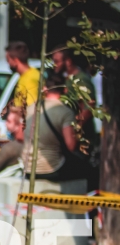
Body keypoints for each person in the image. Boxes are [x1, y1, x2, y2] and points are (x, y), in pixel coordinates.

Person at [53, 45, 99, 190]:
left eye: (57, 61)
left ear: (68, 61)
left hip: (82, 139)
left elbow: (89, 107)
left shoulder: (81, 80)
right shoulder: (65, 79)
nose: (54, 65)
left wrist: (75, 129)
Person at [20, 72, 79, 182]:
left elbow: (20, 136)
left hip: (27, 169)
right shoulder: (66, 113)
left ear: (45, 89)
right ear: (65, 90)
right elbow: (71, 146)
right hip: (52, 169)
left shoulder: (30, 108)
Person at [0, 106, 25, 173]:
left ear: (19, 125)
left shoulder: (11, 148)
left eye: (9, 121)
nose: (5, 123)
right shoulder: (26, 144)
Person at [6, 41, 40, 107]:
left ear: (15, 60)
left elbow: (29, 108)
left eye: (8, 59)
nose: (7, 63)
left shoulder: (30, 79)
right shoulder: (27, 75)